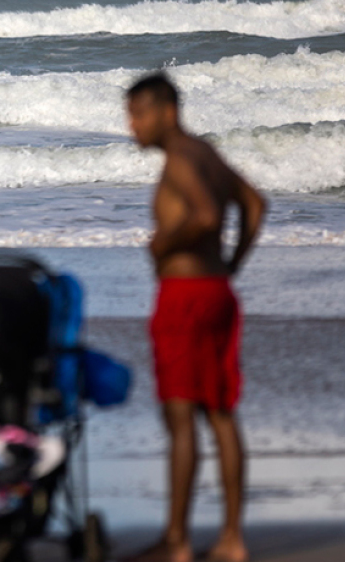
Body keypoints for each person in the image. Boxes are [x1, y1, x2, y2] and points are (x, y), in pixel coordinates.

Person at [125, 73, 266, 562]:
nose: (132, 126)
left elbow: (206, 215)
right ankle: (232, 538)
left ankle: (177, 541)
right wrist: (231, 264)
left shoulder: (182, 158)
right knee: (220, 411)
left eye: (138, 114)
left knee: (181, 414)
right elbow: (254, 203)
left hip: (185, 297)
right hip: (216, 292)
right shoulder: (205, 154)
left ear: (167, 111)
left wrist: (164, 243)